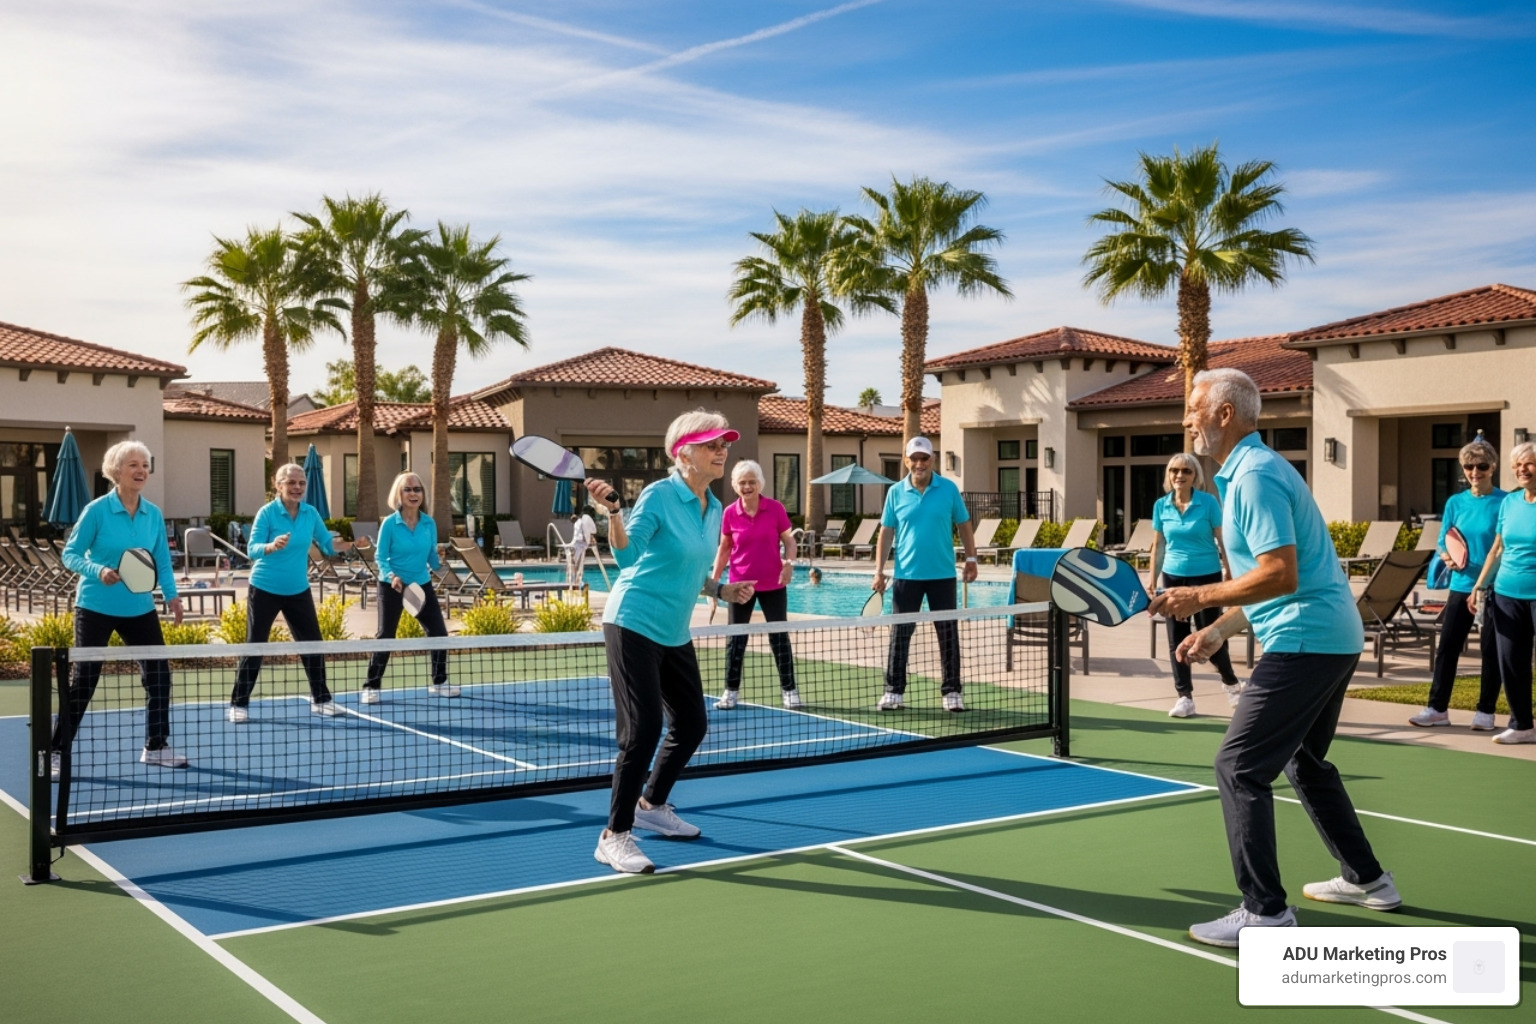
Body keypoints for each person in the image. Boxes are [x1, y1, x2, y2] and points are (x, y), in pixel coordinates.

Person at [1149, 369, 1398, 948]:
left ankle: (1265, 912)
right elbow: (1287, 580)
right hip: (1330, 636)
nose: (1186, 419)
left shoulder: (1254, 477)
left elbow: (1279, 573)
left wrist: (1198, 596)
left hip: (1306, 641)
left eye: (1193, 408)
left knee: (1239, 767)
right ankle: (1368, 879)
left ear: (1224, 414)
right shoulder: (1249, 475)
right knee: (1305, 763)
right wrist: (1218, 630)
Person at [586, 409, 755, 874]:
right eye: (712, 445)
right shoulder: (659, 496)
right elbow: (628, 556)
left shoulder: (714, 507)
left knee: (692, 724)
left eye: (724, 444)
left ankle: (652, 805)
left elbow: (691, 568)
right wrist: (614, 513)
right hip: (633, 622)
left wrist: (720, 589)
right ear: (684, 453)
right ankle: (614, 836)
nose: (722, 452)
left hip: (674, 630)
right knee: (640, 732)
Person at [52, 441, 187, 776]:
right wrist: (97, 570)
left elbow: (162, 563)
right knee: (84, 681)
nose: (141, 470)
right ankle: (56, 750)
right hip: (95, 606)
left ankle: (156, 745)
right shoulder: (97, 510)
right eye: (132, 465)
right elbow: (70, 554)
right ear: (116, 471)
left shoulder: (153, 514)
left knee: (158, 677)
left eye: (145, 464)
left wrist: (172, 596)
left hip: (139, 607)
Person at [227, 463, 340, 722]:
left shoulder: (311, 514)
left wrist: (348, 544)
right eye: (291, 483)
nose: (297, 487)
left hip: (297, 589)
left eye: (301, 483)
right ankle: (238, 704)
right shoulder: (267, 513)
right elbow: (252, 549)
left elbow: (328, 545)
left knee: (313, 644)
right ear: (278, 486)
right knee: (255, 645)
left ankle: (321, 699)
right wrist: (271, 546)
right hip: (265, 587)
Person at [872, 436, 977, 712]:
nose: (919, 463)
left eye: (924, 458)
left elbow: (964, 524)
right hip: (906, 577)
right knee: (900, 634)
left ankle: (952, 692)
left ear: (933, 460)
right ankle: (894, 691)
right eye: (914, 458)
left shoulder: (949, 489)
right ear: (906, 461)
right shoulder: (895, 492)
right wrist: (879, 571)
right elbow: (886, 532)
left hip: (942, 576)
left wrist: (972, 558)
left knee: (948, 634)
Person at [1410, 433, 1504, 730]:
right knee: (1448, 647)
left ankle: (1486, 712)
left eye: (1482, 466)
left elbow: (1504, 545)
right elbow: (1444, 539)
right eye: (1469, 467)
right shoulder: (1455, 502)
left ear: (1493, 467)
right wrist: (1449, 558)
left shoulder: (1505, 502)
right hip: (1461, 586)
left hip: (1496, 588)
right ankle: (1437, 709)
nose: (1475, 472)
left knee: (1491, 651)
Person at [1149, 452, 1242, 718]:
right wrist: (1152, 580)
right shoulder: (1160, 506)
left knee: (1209, 634)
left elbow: (1223, 540)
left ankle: (1231, 684)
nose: (1179, 475)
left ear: (1195, 476)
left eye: (1186, 471)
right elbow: (1159, 545)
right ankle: (1185, 697)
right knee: (1175, 638)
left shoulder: (1208, 502)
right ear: (1169, 475)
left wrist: (1230, 572)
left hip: (1207, 577)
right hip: (1173, 579)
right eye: (1174, 471)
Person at [362, 471, 457, 703]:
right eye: (408, 489)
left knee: (438, 634)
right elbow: (381, 557)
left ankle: (439, 682)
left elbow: (432, 559)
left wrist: (442, 564)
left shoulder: (428, 523)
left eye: (417, 489)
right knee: (386, 635)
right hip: (392, 586)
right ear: (399, 494)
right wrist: (391, 575)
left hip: (420, 585)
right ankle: (371, 686)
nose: (413, 493)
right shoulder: (389, 524)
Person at [711, 459, 799, 710]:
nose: (747, 486)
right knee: (736, 640)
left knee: (779, 637)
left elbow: (789, 541)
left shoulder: (775, 509)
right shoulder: (729, 512)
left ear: (760, 483)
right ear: (735, 486)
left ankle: (789, 690)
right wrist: (715, 585)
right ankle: (730, 692)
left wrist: (789, 564)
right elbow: (725, 548)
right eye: (742, 482)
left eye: (752, 482)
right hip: (739, 586)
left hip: (773, 584)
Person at [1468, 441, 1536, 744]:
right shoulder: (1510, 502)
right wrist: (1479, 585)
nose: (1523, 469)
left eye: (1530, 463)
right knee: (1511, 661)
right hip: (1507, 593)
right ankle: (1522, 725)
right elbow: (1498, 548)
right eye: (1518, 465)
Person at [568, 505, 597, 586]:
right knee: (576, 563)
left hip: (578, 544)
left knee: (576, 563)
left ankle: (575, 580)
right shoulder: (581, 522)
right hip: (579, 544)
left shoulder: (579, 522)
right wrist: (589, 540)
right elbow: (583, 535)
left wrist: (589, 540)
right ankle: (575, 581)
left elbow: (583, 534)